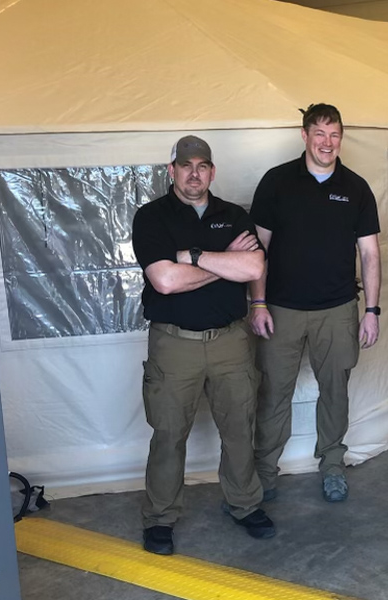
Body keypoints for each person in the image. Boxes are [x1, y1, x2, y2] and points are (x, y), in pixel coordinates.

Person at [132, 135, 275, 555]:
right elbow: (164, 280)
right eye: (186, 165)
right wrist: (221, 261)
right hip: (174, 345)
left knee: (239, 428)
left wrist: (192, 256)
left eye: (203, 166)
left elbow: (253, 266)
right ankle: (160, 517)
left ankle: (244, 504)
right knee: (169, 433)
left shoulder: (232, 215)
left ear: (212, 171)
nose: (195, 173)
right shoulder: (152, 217)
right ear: (172, 169)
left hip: (231, 340)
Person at [249, 104, 381, 503]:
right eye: (319, 133)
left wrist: (372, 311)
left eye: (334, 134)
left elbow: (371, 255)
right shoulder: (277, 182)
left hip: (338, 309)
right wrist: (257, 304)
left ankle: (333, 464)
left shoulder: (356, 188)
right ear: (304, 135)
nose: (327, 142)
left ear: (342, 138)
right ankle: (264, 471)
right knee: (273, 391)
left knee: (335, 390)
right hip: (282, 309)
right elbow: (257, 251)